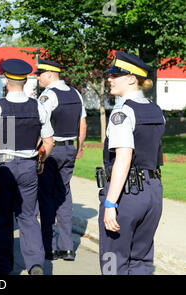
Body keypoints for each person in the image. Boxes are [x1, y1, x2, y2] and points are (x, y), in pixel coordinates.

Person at [98, 51, 164, 275]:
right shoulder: (155, 109)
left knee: (112, 260)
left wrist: (110, 203)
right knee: (142, 259)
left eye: (115, 75)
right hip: (153, 191)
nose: (110, 79)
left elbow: (123, 159)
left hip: (128, 193)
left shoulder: (123, 112)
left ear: (131, 79)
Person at [0, 59, 54, 275]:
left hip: (3, 167)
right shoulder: (38, 106)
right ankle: (35, 263)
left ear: (6, 81)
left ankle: (2, 266)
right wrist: (40, 160)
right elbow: (49, 141)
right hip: (28, 166)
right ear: (25, 81)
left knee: (1, 217)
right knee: (27, 217)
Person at [35, 58, 87, 261]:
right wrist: (79, 148)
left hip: (52, 150)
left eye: (40, 74)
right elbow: (82, 124)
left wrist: (38, 153)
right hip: (69, 149)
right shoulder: (75, 94)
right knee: (64, 196)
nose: (38, 77)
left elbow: (40, 125)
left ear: (49, 74)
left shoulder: (48, 96)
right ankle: (67, 248)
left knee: (46, 197)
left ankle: (49, 247)